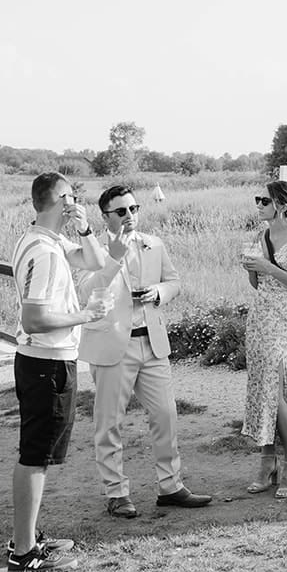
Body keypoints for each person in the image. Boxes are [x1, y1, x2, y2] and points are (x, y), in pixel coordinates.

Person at [76, 185, 210, 518]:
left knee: (166, 415)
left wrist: (160, 292)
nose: (130, 216)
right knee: (109, 422)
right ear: (106, 216)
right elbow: (84, 290)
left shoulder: (154, 244)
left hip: (151, 340)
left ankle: (171, 487)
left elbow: (175, 280)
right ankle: (116, 492)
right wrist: (113, 260)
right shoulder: (92, 249)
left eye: (134, 209)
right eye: (122, 211)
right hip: (111, 345)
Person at [7, 173, 111, 572]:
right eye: (73, 198)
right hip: (45, 363)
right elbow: (33, 319)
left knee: (39, 454)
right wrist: (84, 315)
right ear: (62, 201)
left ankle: (28, 537)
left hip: (44, 360)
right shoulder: (46, 253)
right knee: (35, 455)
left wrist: (85, 227)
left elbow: (97, 261)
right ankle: (23, 552)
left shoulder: (41, 240)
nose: (78, 201)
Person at [239, 180, 287, 500]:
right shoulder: (261, 236)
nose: (258, 204)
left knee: (281, 390)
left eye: (264, 200)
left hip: (284, 320)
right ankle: (266, 459)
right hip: (260, 317)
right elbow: (260, 284)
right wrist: (251, 269)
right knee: (261, 388)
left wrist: (268, 266)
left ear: (282, 205)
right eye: (257, 200)